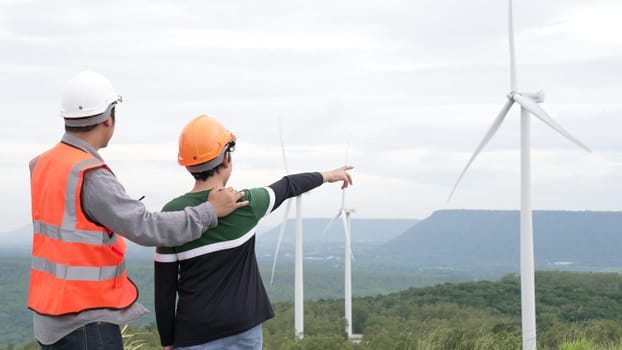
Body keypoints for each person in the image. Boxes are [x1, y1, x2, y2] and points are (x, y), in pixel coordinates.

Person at [28, 71, 248, 349]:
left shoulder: (44, 164)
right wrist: (209, 211)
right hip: (84, 321)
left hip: (50, 316)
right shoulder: (90, 176)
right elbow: (147, 228)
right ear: (109, 117)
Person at [154, 115, 353, 350]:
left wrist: (167, 340)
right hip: (244, 328)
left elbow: (164, 287)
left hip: (196, 332)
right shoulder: (247, 203)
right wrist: (326, 176)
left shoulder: (173, 214)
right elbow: (287, 185)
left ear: (187, 165)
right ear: (226, 158)